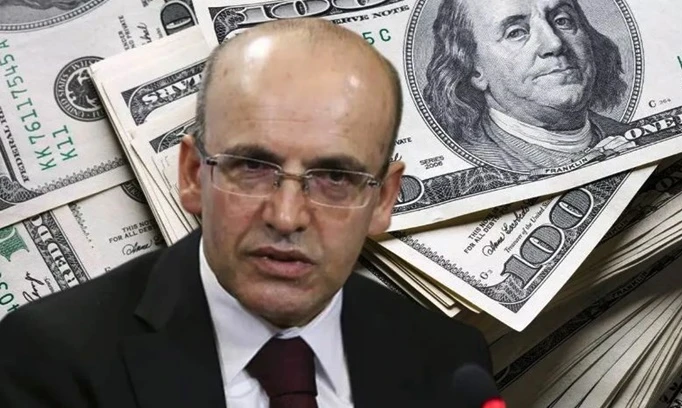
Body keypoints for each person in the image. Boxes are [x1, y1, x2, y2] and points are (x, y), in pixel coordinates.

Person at [0, 19, 493, 408]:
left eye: (335, 177)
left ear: (383, 199)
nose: (286, 216)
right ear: (193, 174)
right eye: (253, 167)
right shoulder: (50, 359)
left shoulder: (450, 363)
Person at [424, 0, 635, 173]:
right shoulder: (474, 164)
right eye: (516, 32)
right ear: (474, 70)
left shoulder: (633, 136)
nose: (555, 43)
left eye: (562, 21)